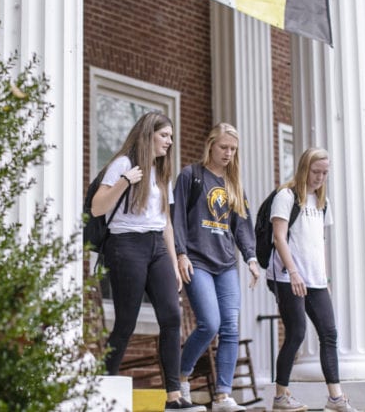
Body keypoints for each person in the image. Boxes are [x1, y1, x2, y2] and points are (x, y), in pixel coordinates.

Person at [92, 111, 205, 412]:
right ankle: (102, 389)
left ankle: (173, 397)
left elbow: (165, 222)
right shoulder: (123, 164)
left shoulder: (160, 169)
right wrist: (124, 182)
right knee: (126, 322)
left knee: (171, 316)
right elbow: (97, 207)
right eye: (164, 135)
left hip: (156, 246)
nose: (169, 141)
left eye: (170, 136)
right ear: (148, 134)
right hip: (126, 244)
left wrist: (172, 261)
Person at [172, 123, 260, 412]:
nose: (228, 153)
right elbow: (177, 220)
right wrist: (180, 254)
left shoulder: (234, 185)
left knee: (230, 328)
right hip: (197, 261)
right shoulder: (191, 175)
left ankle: (222, 395)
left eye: (233, 149)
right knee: (209, 323)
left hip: (226, 265)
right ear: (211, 144)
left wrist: (251, 258)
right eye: (224, 147)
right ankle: (180, 377)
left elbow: (242, 228)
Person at [266, 147, 358, 412]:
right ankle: (281, 397)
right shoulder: (286, 196)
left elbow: (319, 242)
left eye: (325, 173)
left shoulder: (322, 202)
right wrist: (294, 272)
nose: (320, 177)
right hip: (287, 277)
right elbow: (279, 238)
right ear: (305, 168)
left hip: (315, 280)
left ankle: (336, 398)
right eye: (316, 172)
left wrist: (324, 277)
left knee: (329, 334)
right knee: (296, 333)